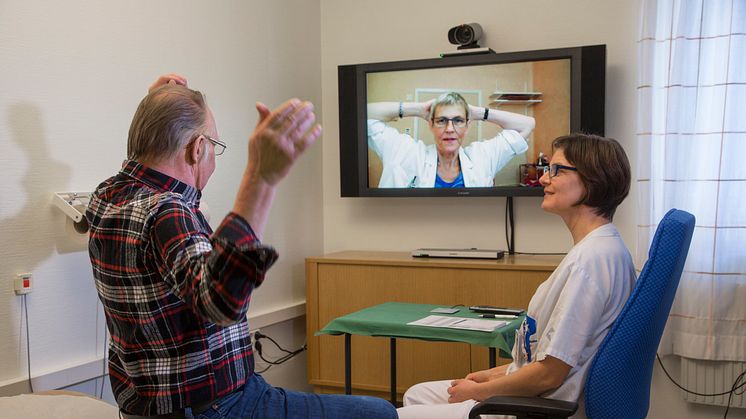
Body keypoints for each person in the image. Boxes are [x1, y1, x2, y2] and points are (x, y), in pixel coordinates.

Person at [86, 74, 397, 419]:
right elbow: (218, 302)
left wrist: (158, 107)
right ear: (196, 148)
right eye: (215, 147)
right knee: (380, 412)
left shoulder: (107, 197)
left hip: (147, 408)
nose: (214, 159)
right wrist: (260, 176)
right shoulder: (167, 211)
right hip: (216, 408)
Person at [397, 133, 636, 419]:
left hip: (536, 407)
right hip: (532, 392)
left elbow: (548, 375)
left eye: (556, 171)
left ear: (592, 180)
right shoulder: (600, 248)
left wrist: (478, 392)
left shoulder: (591, 261)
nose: (544, 179)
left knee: (399, 415)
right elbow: (540, 360)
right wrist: (487, 376)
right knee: (416, 394)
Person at [367, 92, 535, 188]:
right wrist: (418, 109)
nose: (449, 129)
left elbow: (527, 124)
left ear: (468, 125)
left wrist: (476, 112)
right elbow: (360, 114)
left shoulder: (483, 157)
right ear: (431, 124)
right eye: (441, 120)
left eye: (458, 120)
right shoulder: (404, 151)